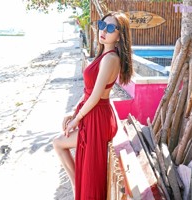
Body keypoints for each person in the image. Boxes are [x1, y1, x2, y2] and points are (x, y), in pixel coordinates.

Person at [53, 11, 133, 200]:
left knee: (58, 143)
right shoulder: (103, 55)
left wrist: (77, 119)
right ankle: (77, 187)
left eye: (111, 28)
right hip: (94, 112)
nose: (104, 31)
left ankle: (77, 187)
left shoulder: (110, 59)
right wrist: (73, 113)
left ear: (119, 35)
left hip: (98, 117)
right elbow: (88, 90)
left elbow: (96, 96)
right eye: (102, 25)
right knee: (59, 144)